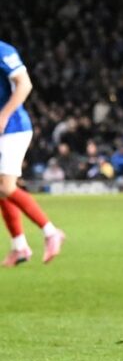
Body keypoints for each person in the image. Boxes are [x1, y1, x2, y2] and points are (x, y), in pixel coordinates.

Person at [0, 40, 66, 267]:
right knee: (1, 190)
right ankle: (19, 247)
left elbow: (24, 84)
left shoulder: (3, 50)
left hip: (13, 127)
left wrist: (4, 115)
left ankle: (51, 232)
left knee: (6, 187)